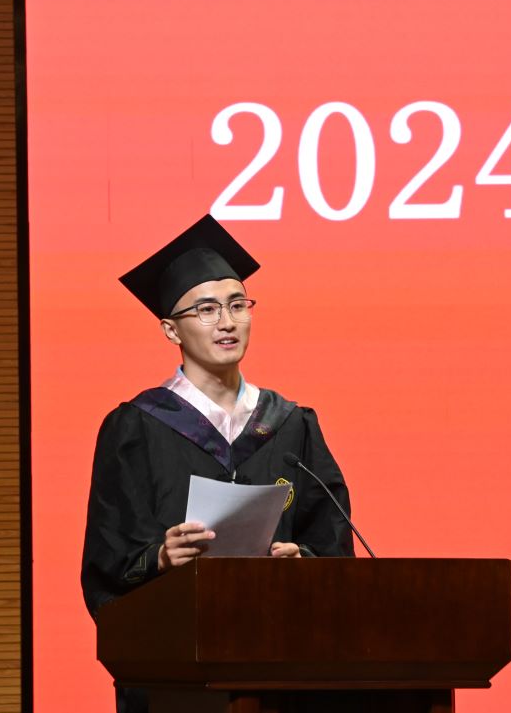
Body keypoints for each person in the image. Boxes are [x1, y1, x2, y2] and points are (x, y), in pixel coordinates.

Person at [80, 214, 354, 713]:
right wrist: (161, 558)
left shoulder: (291, 423)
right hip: (176, 670)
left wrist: (303, 562)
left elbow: (332, 542)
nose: (227, 322)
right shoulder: (136, 428)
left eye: (237, 305)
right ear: (171, 329)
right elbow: (107, 558)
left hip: (281, 663)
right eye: (206, 309)